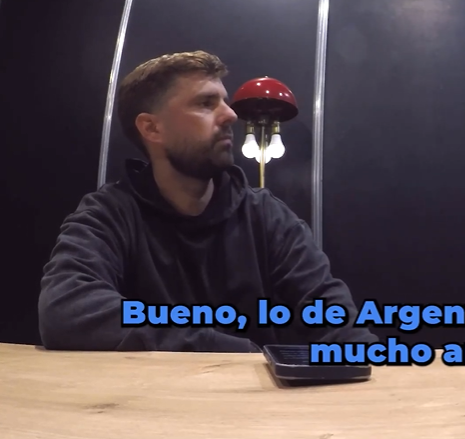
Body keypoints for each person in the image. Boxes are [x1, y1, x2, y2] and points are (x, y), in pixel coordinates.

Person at [38, 51, 378, 351]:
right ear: (152, 129)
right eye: (205, 103)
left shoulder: (266, 216)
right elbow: (66, 310)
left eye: (224, 101)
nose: (231, 115)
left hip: (256, 404)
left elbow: (340, 325)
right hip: (148, 403)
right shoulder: (109, 214)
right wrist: (225, 349)